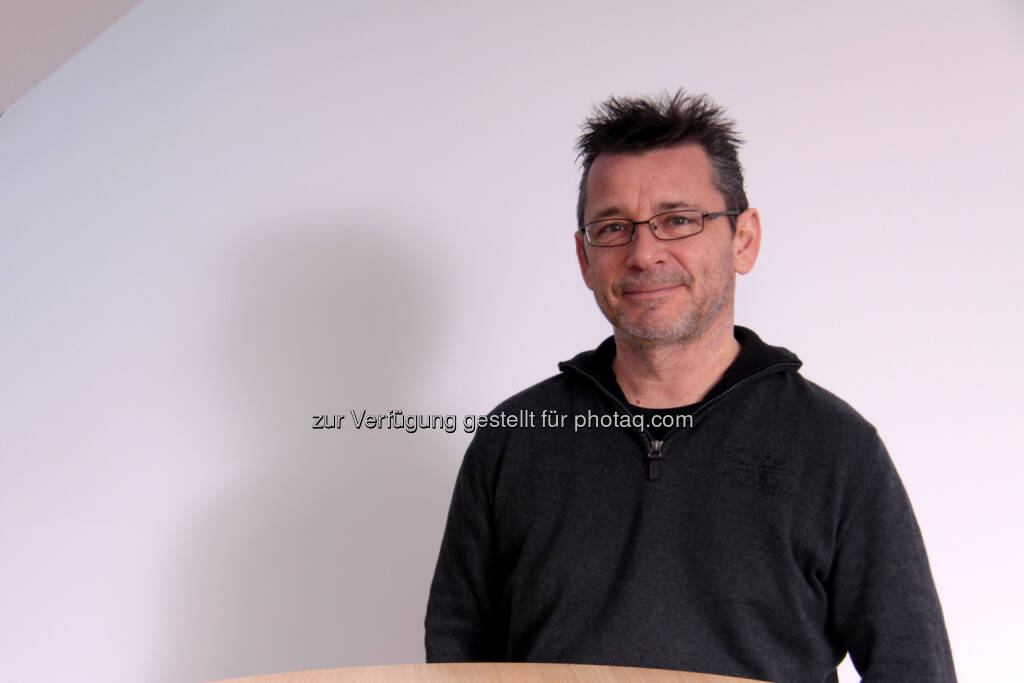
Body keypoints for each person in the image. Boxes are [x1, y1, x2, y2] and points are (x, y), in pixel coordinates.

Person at [424, 90, 956, 682]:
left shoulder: (836, 448)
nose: (643, 253)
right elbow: (454, 660)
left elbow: (914, 669)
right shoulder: (513, 440)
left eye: (678, 220)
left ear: (743, 239)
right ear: (584, 257)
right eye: (613, 227)